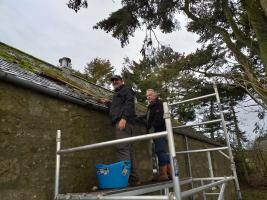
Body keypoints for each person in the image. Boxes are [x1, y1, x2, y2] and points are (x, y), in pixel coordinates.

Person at [100, 75, 140, 186]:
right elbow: (117, 108)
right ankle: (134, 179)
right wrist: (108, 103)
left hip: (124, 123)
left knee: (122, 149)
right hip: (127, 123)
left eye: (116, 80)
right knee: (129, 150)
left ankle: (125, 179)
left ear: (122, 81)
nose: (114, 82)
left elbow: (129, 104)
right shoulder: (117, 94)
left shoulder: (126, 90)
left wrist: (124, 118)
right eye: (112, 81)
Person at [145, 89, 171, 181]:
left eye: (150, 95)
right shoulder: (151, 106)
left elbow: (159, 119)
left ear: (155, 95)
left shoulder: (159, 104)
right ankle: (169, 173)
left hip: (159, 131)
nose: (148, 97)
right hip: (157, 131)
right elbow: (148, 118)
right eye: (147, 95)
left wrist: (152, 130)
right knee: (162, 151)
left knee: (160, 151)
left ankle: (163, 174)